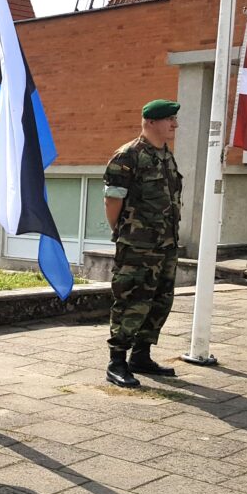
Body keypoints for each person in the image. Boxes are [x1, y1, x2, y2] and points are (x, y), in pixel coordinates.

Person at [102, 98, 183, 389]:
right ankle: (117, 362)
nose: (174, 124)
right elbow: (113, 200)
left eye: (174, 119)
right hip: (137, 246)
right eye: (169, 119)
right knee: (131, 301)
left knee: (160, 301)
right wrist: (122, 232)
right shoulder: (128, 156)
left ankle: (142, 355)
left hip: (166, 245)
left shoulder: (166, 156)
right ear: (150, 122)